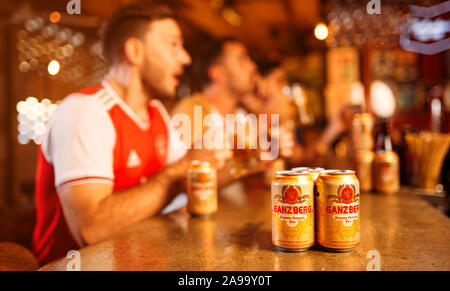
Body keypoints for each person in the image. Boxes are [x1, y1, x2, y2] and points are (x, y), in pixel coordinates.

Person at [32, 2, 230, 265]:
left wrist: (245, 161)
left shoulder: (156, 112)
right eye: (173, 45)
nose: (186, 57)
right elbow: (92, 229)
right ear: (135, 51)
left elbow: (186, 185)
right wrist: (181, 167)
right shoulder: (84, 111)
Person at [171, 39, 294, 184]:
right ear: (218, 74)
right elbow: (190, 181)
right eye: (242, 60)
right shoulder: (190, 111)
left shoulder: (244, 115)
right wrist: (261, 155)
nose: (252, 67)